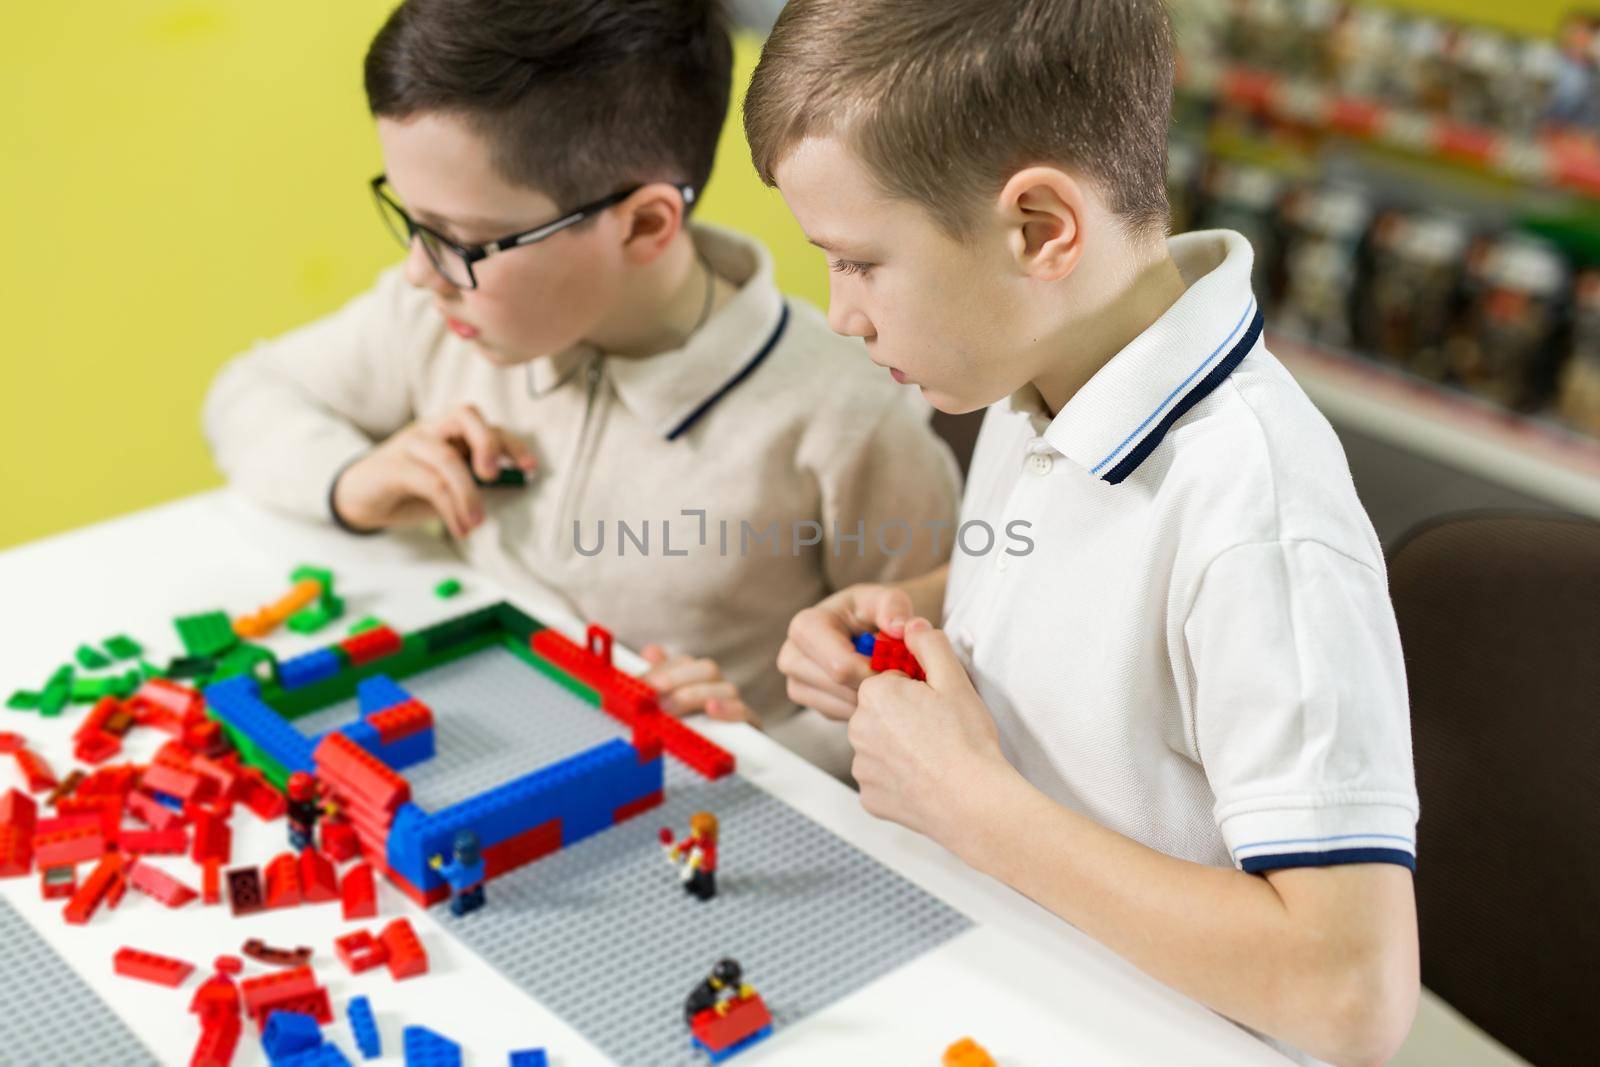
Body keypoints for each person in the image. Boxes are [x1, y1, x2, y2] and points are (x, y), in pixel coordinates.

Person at [751, 2, 1419, 1063]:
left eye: (861, 262)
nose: (841, 310)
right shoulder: (1039, 369)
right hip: (1000, 963)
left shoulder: (1257, 513)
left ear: (1039, 230)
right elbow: (1090, 577)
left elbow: (1352, 995)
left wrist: (974, 807)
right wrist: (910, 607)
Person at [201, 0, 961, 778]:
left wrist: (759, 750)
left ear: (642, 226)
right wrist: (350, 481)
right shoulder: (433, 314)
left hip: (698, 813)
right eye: (413, 221)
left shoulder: (844, 415)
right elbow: (248, 391)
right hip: (467, 758)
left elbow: (939, 674)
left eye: (461, 241)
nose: (419, 271)